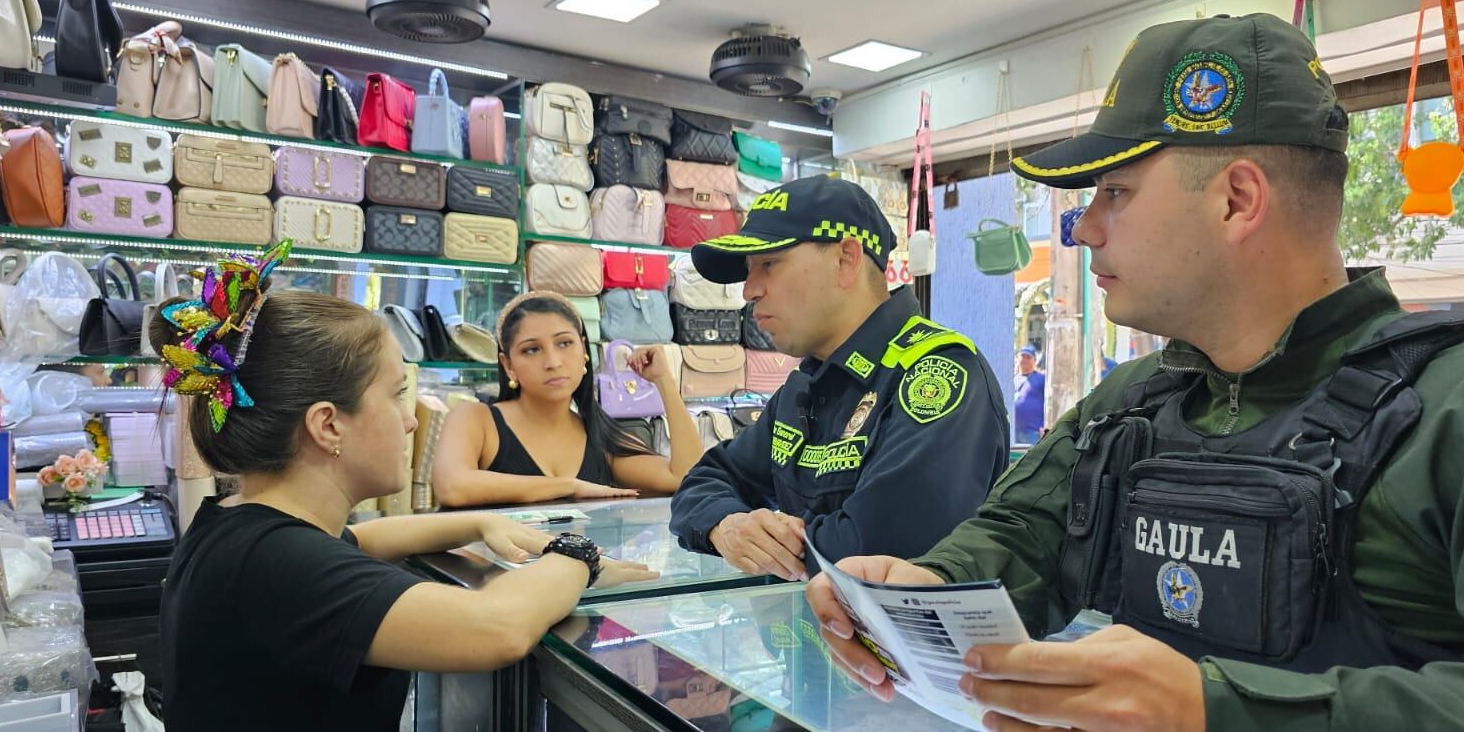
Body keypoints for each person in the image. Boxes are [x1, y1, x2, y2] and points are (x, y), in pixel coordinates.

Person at [807, 13, 1464, 732]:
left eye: (1115, 192)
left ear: (1238, 200)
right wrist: (924, 592)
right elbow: (1022, 534)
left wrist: (1217, 713)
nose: (1084, 226)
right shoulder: (1127, 405)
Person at [155, 244, 658, 732]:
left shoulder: (240, 524)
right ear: (328, 425)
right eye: (397, 395)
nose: (411, 419)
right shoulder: (278, 564)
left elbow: (367, 538)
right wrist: (576, 557)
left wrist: (479, 523)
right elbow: (499, 628)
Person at [669, 176, 1010, 581]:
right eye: (749, 270)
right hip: (813, 635)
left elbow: (874, 552)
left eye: (769, 264)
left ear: (846, 259)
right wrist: (726, 526)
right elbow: (706, 480)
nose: (749, 290)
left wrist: (769, 544)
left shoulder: (937, 374)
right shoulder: (806, 385)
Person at [431, 291, 703, 507]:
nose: (553, 362)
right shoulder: (476, 420)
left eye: (564, 343)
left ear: (584, 350)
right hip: (496, 576)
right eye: (532, 349)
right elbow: (452, 487)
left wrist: (664, 381)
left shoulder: (600, 436)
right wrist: (569, 486)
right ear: (508, 364)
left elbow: (683, 477)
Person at [1011, 345, 1045, 444]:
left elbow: (1050, 403)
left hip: (1033, 432)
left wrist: (1045, 425)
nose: (1025, 359)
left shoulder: (1041, 379)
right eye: (1023, 356)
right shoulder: (1013, 380)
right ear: (1017, 358)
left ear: (1034, 361)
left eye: (1028, 357)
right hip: (1014, 432)